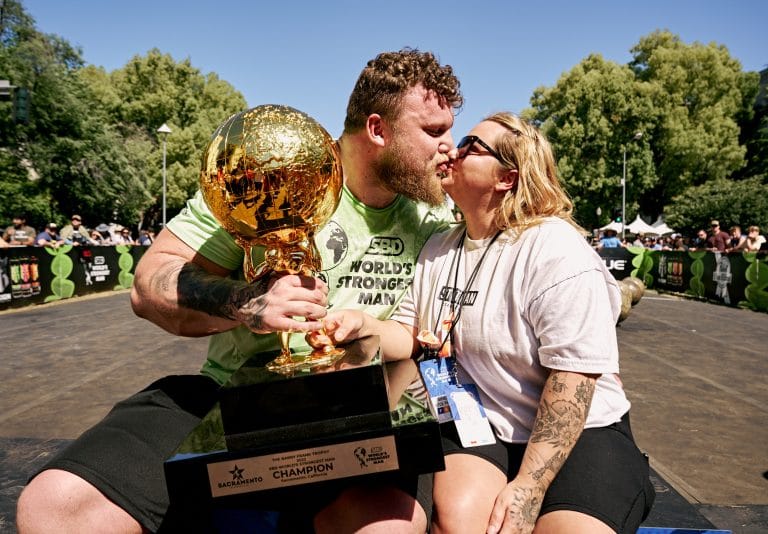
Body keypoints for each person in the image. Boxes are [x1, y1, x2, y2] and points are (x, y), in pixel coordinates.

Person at [17, 48, 462, 533]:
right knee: (57, 505)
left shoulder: (435, 213)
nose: (449, 146)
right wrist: (249, 303)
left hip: (367, 410)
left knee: (386, 528)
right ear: (377, 130)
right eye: (433, 131)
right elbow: (150, 282)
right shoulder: (275, 173)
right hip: (232, 397)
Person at [313, 113, 654, 533]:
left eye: (471, 146)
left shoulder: (555, 249)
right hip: (482, 421)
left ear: (507, 178)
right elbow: (409, 332)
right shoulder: (440, 246)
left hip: (582, 431)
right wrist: (362, 326)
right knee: (459, 523)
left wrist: (528, 487)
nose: (452, 150)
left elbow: (573, 380)